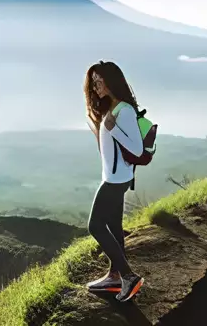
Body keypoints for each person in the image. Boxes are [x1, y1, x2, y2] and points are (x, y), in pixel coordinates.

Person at [83, 60, 145, 302]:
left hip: (115, 181)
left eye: (100, 81)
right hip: (115, 177)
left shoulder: (125, 111)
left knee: (95, 226)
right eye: (94, 82)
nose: (96, 86)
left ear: (112, 81)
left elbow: (137, 149)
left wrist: (114, 129)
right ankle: (115, 275)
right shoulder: (112, 108)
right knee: (114, 226)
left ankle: (129, 276)